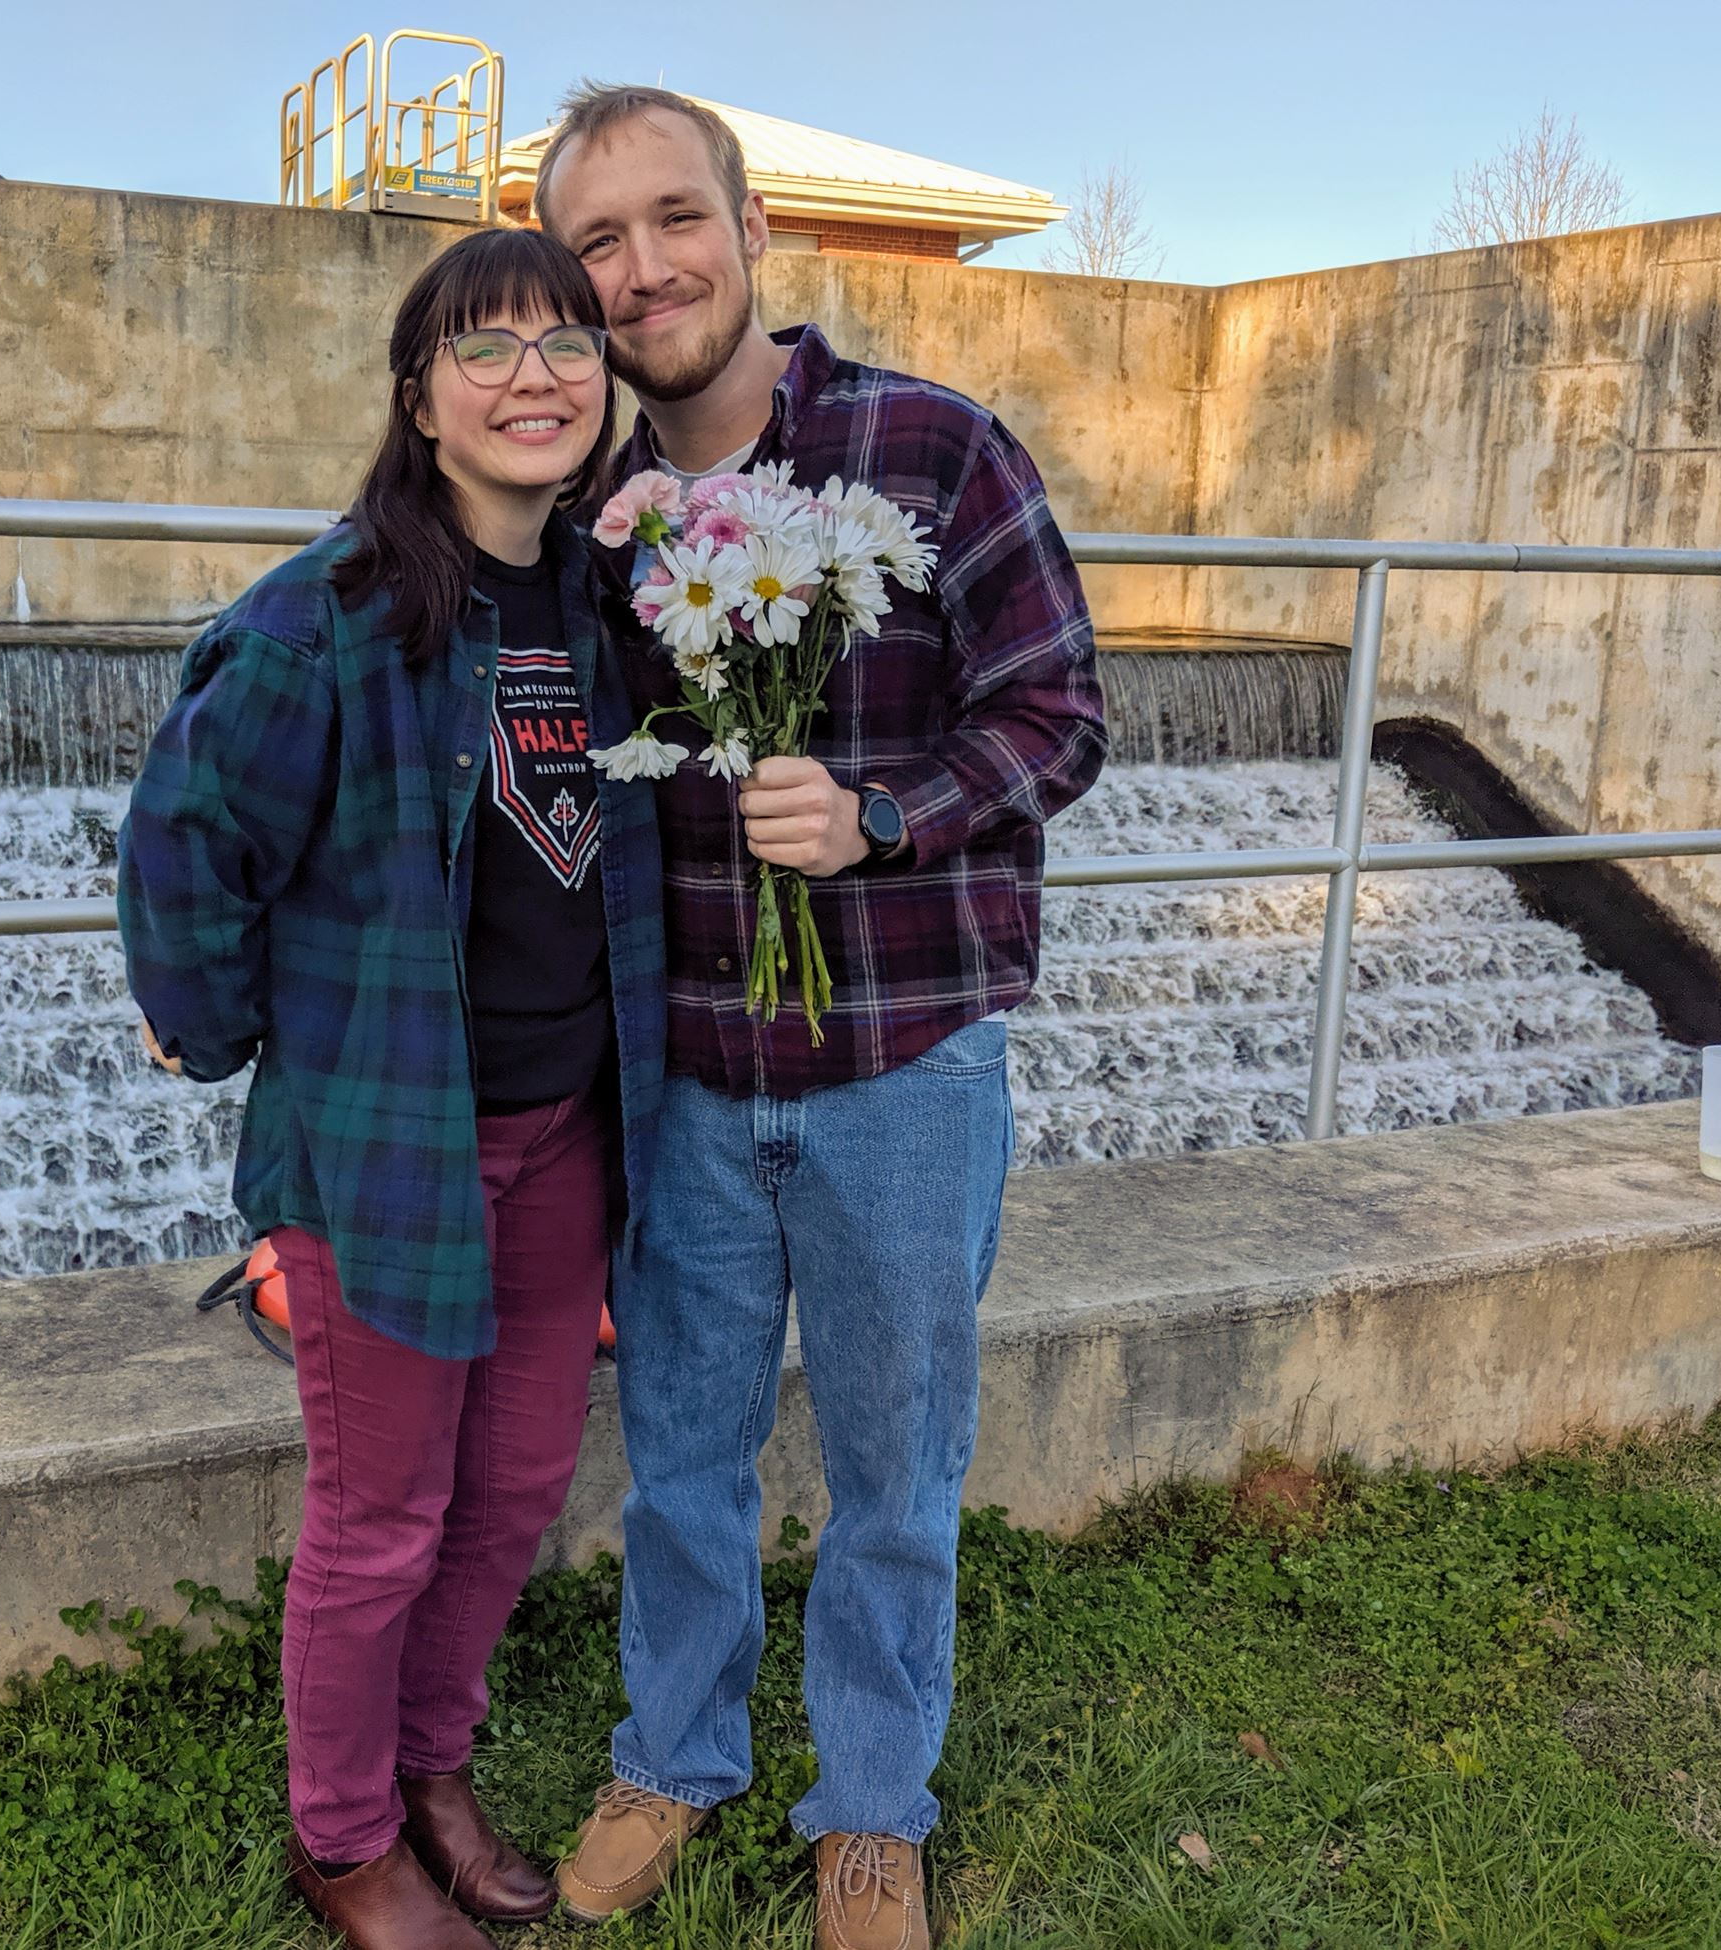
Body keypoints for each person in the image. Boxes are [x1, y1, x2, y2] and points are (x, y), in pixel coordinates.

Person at [529, 86, 1109, 1950]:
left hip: (903, 1068)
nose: (644, 270)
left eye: (673, 220)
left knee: (895, 1464)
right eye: (599, 244)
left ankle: (871, 1806)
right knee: (682, 1452)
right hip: (691, 1076)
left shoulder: (930, 450)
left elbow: (1059, 716)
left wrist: (882, 816)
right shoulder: (598, 517)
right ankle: (672, 1756)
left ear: (753, 225)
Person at [116, 227, 667, 1950]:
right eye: (485, 349)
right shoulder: (322, 619)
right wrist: (204, 1027)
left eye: (566, 342)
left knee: (511, 1490)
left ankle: (433, 1768)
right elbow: (186, 843)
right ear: (420, 398)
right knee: (382, 1517)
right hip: (384, 1145)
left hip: (570, 1127)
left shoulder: (616, 608)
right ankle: (344, 1835)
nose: (533, 378)